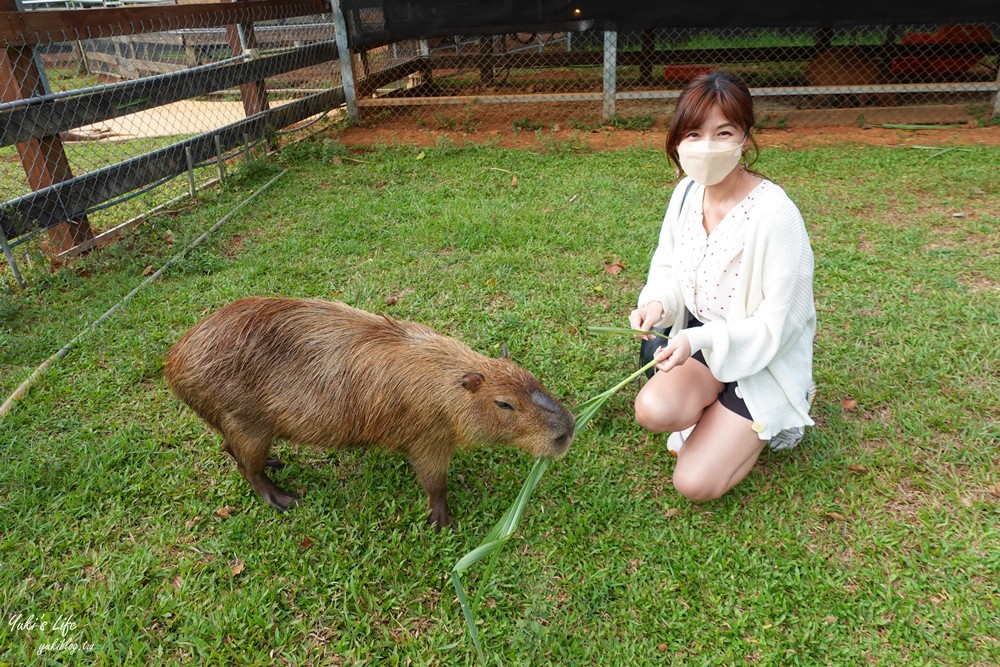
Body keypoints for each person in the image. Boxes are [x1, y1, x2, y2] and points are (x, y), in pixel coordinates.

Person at [629, 70, 816, 502]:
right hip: (705, 347)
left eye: (723, 132)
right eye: (694, 133)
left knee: (694, 484)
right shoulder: (686, 194)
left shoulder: (775, 216)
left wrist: (697, 339)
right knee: (652, 410)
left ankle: (774, 417)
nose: (707, 146)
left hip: (762, 359)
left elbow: (777, 327)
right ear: (678, 140)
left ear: (745, 138)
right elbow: (670, 266)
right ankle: (719, 413)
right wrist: (656, 305)